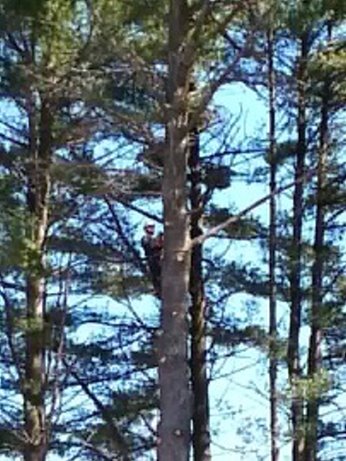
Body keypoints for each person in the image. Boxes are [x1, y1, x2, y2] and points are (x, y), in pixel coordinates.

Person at [141, 222, 163, 297]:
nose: (152, 228)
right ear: (145, 229)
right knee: (156, 276)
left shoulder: (154, 239)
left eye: (153, 227)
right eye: (150, 227)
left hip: (160, 260)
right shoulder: (145, 238)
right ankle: (158, 289)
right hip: (153, 261)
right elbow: (151, 246)